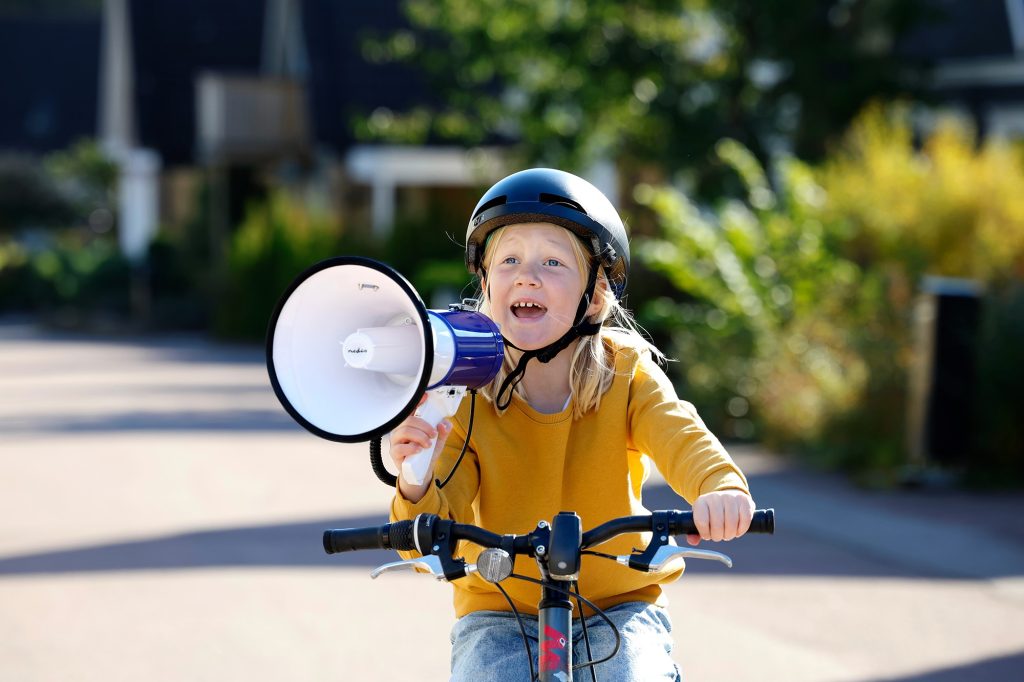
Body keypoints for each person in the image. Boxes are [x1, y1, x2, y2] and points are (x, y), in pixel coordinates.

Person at [388, 168, 754, 681]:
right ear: (487, 286)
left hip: (621, 600)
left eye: (553, 262)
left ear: (596, 294)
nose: (526, 275)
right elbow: (423, 534)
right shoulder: (465, 391)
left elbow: (681, 435)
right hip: (499, 610)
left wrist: (719, 488)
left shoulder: (625, 373)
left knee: (633, 674)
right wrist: (415, 475)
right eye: (509, 259)